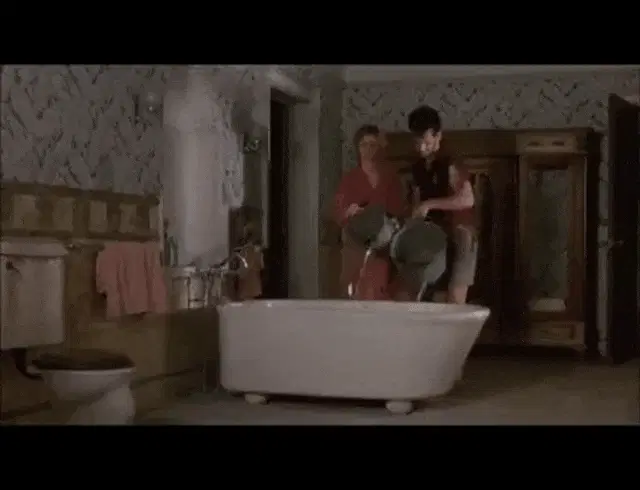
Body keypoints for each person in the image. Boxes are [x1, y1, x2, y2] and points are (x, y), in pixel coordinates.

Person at [407, 105, 477, 305]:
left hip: (460, 233)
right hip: (435, 236)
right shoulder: (418, 166)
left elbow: (467, 199)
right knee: (435, 296)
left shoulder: (451, 162)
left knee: (455, 297)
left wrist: (430, 204)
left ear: (438, 136)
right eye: (418, 142)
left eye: (427, 143)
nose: (422, 148)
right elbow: (417, 201)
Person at [334, 124, 408, 300]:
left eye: (373, 145)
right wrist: (349, 211)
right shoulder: (350, 179)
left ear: (380, 148)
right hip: (356, 235)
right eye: (363, 145)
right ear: (357, 148)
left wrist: (391, 222)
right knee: (354, 275)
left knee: (381, 280)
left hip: (383, 237)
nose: (368, 149)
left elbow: (399, 209)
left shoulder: (390, 177)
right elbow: (338, 212)